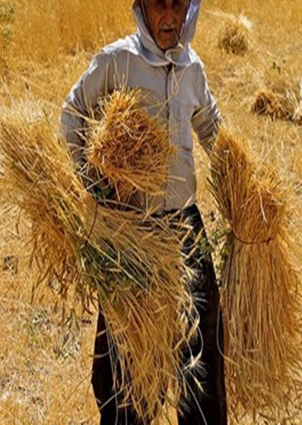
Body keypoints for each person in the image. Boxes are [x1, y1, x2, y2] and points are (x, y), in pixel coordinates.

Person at [59, 1, 227, 424]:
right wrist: (97, 187)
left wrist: (242, 187)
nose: (169, 17)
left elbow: (212, 128)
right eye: (159, 6)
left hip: (185, 226)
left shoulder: (193, 69)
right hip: (132, 230)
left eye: (177, 6)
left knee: (203, 348)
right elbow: (72, 115)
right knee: (125, 354)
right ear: (142, 9)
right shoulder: (119, 62)